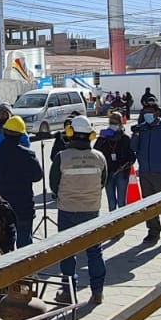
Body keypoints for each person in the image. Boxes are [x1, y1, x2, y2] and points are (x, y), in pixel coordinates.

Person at [49, 115, 108, 305]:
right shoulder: (99, 157)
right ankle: (97, 292)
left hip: (67, 210)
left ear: (70, 132)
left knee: (67, 252)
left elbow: (53, 184)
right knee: (94, 252)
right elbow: (103, 183)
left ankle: (68, 292)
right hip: (92, 211)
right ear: (91, 135)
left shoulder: (62, 157)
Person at [0, 115, 43, 248]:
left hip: (0, 208)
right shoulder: (28, 155)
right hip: (23, 207)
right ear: (21, 135)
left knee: (4, 246)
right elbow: (37, 176)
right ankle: (26, 269)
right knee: (25, 246)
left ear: (4, 132)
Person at [132, 96, 161, 246]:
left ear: (157, 114)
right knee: (149, 205)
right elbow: (134, 148)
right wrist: (135, 134)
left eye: (149, 113)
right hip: (145, 172)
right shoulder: (142, 129)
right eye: (144, 113)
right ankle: (153, 232)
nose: (146, 116)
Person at [95, 111, 136, 217]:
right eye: (111, 122)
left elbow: (132, 156)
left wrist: (125, 165)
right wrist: (101, 138)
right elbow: (95, 152)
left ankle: (121, 224)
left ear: (120, 123)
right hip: (108, 173)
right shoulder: (105, 137)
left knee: (122, 201)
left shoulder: (125, 138)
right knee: (111, 203)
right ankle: (112, 223)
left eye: (115, 122)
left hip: (121, 173)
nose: (113, 124)